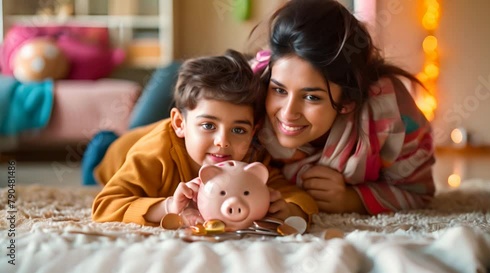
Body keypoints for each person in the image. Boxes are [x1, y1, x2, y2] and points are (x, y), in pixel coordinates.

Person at [91, 49, 318, 226]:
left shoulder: (251, 158)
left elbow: (301, 199)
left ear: (254, 130)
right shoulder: (154, 154)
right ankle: (101, 144)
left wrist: (288, 209)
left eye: (238, 130)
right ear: (180, 124)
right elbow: (104, 206)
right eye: (209, 125)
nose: (223, 141)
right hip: (116, 155)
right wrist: (169, 206)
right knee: (99, 155)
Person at [250, 0, 435, 215]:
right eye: (279, 90)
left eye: (311, 97)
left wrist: (351, 199)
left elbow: (418, 192)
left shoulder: (392, 114)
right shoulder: (247, 98)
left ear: (348, 101)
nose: (288, 113)